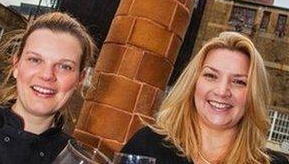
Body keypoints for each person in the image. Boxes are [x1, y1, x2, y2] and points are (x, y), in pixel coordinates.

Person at [121, 32, 289, 164]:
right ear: (193, 83)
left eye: (239, 82)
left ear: (253, 94)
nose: (222, 91)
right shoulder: (147, 145)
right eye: (211, 76)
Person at [0, 12, 97, 163]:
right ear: (16, 65)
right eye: (35, 60)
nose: (47, 75)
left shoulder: (76, 159)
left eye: (65, 66)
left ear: (80, 79)